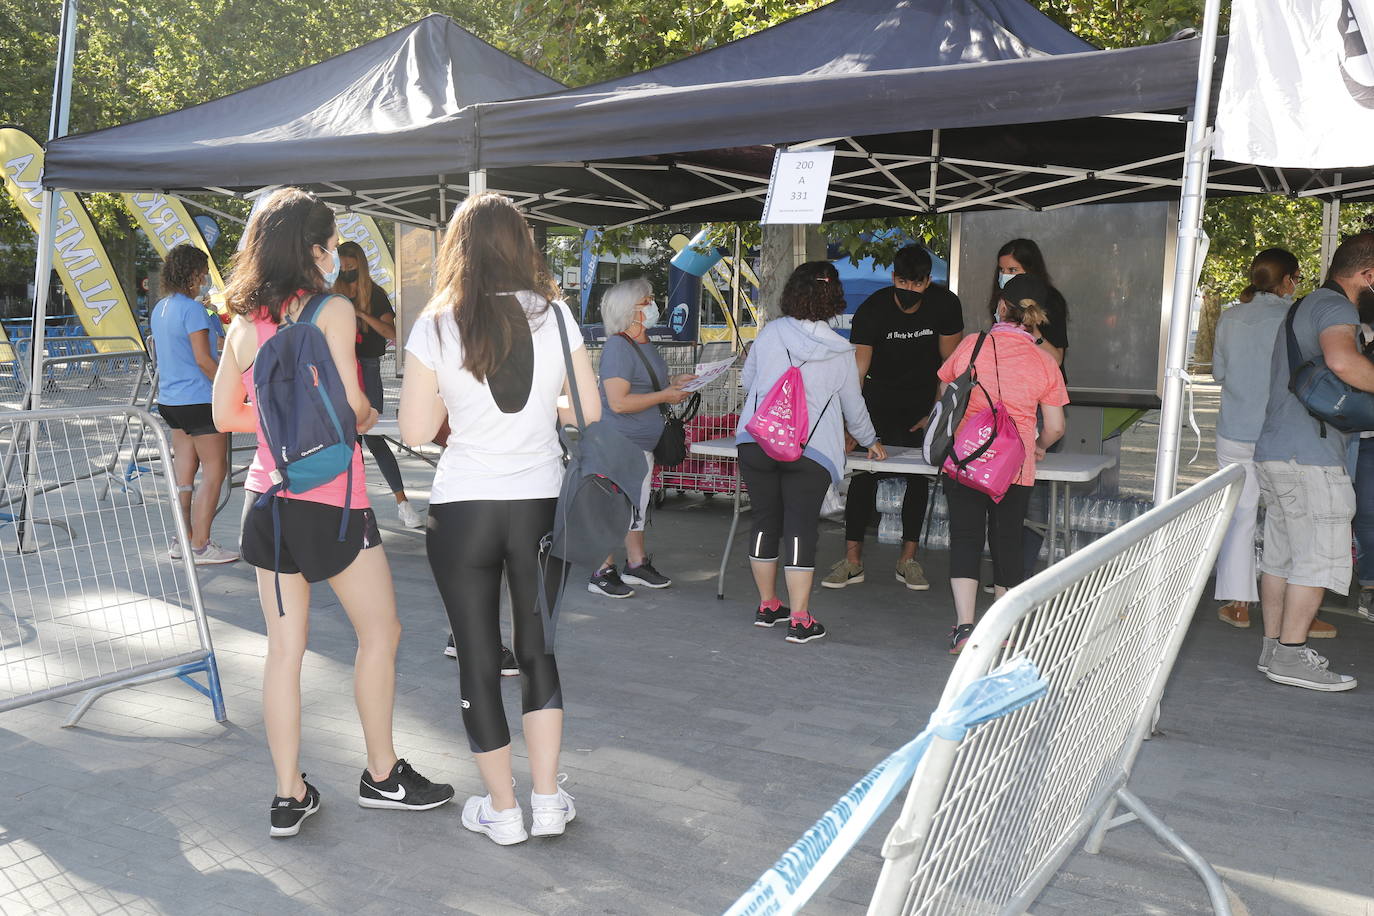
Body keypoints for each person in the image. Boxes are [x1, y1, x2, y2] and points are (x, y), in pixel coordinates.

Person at [212, 188, 453, 839]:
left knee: (283, 653)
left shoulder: (243, 323)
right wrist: (356, 416)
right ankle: (382, 774)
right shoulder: (334, 309)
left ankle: (289, 795)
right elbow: (353, 412)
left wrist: (279, 430)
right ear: (316, 250)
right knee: (381, 634)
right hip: (334, 507)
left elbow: (224, 417)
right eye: (330, 244)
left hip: (267, 503)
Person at [399, 192, 598, 845]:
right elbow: (590, 414)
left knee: (478, 660)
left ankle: (503, 811)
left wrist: (467, 407)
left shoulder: (435, 325)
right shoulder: (559, 317)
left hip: (462, 508)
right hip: (540, 502)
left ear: (458, 248)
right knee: (539, 652)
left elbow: (418, 428)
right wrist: (542, 412)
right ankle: (547, 800)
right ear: (522, 244)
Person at [736, 261, 886, 644]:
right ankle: (800, 619)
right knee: (801, 527)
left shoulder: (769, 334)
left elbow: (749, 381)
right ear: (835, 298)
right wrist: (870, 441)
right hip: (809, 450)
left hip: (757, 441)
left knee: (764, 522)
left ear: (792, 292)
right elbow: (854, 408)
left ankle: (768, 605)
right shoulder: (840, 351)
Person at [1251, 232, 1374, 692]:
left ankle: (1273, 650)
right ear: (1368, 275)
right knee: (1319, 557)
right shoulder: (1337, 307)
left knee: (1283, 558)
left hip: (1279, 450)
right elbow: (1343, 363)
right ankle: (1291, 656)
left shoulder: (1306, 304)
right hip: (1313, 456)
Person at [938, 274, 1068, 655]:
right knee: (1006, 541)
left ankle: (965, 629)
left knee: (965, 537)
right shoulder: (1044, 362)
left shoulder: (972, 346)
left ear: (1001, 306)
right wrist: (1038, 446)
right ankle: (1002, 633)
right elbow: (1056, 427)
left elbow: (945, 393)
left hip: (966, 460)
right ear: (1037, 318)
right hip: (1015, 467)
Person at [823, 246, 961, 592]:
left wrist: (937, 414)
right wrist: (851, 424)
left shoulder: (946, 305)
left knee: (919, 479)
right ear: (893, 278)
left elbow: (951, 368)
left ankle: (908, 560)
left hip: (924, 402)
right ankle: (852, 561)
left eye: (917, 284)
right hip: (877, 401)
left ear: (928, 281)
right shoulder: (873, 308)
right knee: (864, 478)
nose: (909, 290)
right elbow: (858, 370)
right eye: (902, 282)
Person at [1211, 249, 1329, 631]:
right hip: (1283, 432)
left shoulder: (1230, 317)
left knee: (1240, 515)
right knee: (1291, 519)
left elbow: (1218, 373)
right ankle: (1300, 612)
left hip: (1235, 428)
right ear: (1289, 280)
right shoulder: (1295, 319)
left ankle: (1238, 603)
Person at [587, 277, 695, 599]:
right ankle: (601, 570)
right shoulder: (619, 347)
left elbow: (646, 384)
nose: (653, 305)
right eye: (646, 300)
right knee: (613, 508)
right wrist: (665, 394)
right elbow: (618, 402)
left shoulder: (643, 343)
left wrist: (676, 381)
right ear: (631, 310)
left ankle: (636, 563)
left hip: (641, 444)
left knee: (637, 505)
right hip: (618, 443)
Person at [150, 244, 237, 565]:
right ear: (192, 273)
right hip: (199, 400)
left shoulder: (161, 308)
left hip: (171, 402)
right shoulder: (193, 310)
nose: (204, 279)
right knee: (215, 470)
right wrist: (232, 391)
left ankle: (182, 540)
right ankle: (200, 545)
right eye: (201, 273)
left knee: (184, 475)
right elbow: (204, 359)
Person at [333, 240, 422, 529]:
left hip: (368, 367)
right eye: (342, 263)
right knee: (346, 440)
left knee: (373, 436)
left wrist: (361, 315)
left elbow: (391, 332)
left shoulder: (376, 294)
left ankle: (403, 503)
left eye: (350, 263)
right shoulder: (331, 293)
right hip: (339, 368)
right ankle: (350, 506)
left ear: (359, 262)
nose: (345, 268)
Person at [988, 238, 1069, 367]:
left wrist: (1033, 333)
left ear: (1031, 270)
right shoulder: (1000, 298)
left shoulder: (1052, 300)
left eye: (1012, 270)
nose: (1004, 275)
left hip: (1043, 380)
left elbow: (1057, 359)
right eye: (1001, 270)